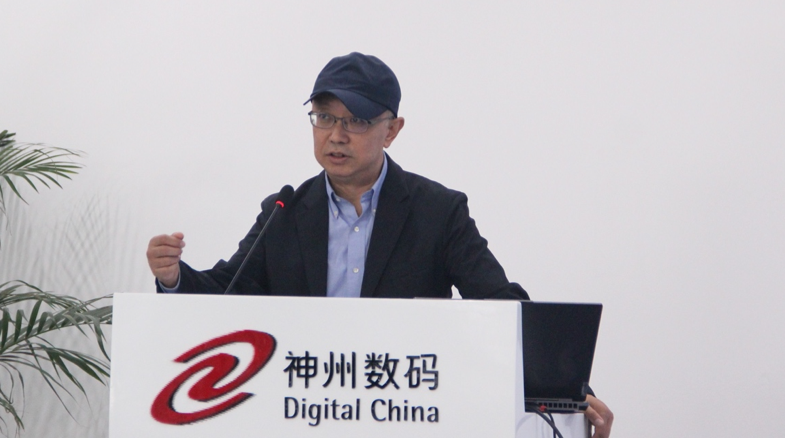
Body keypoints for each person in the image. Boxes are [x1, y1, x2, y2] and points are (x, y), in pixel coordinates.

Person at [146, 52, 613, 437]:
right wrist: (173, 278)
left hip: (402, 415)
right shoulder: (284, 211)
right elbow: (227, 296)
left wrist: (567, 392)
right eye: (324, 117)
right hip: (304, 412)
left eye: (356, 120)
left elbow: (500, 305)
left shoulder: (437, 211)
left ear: (392, 130)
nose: (336, 135)